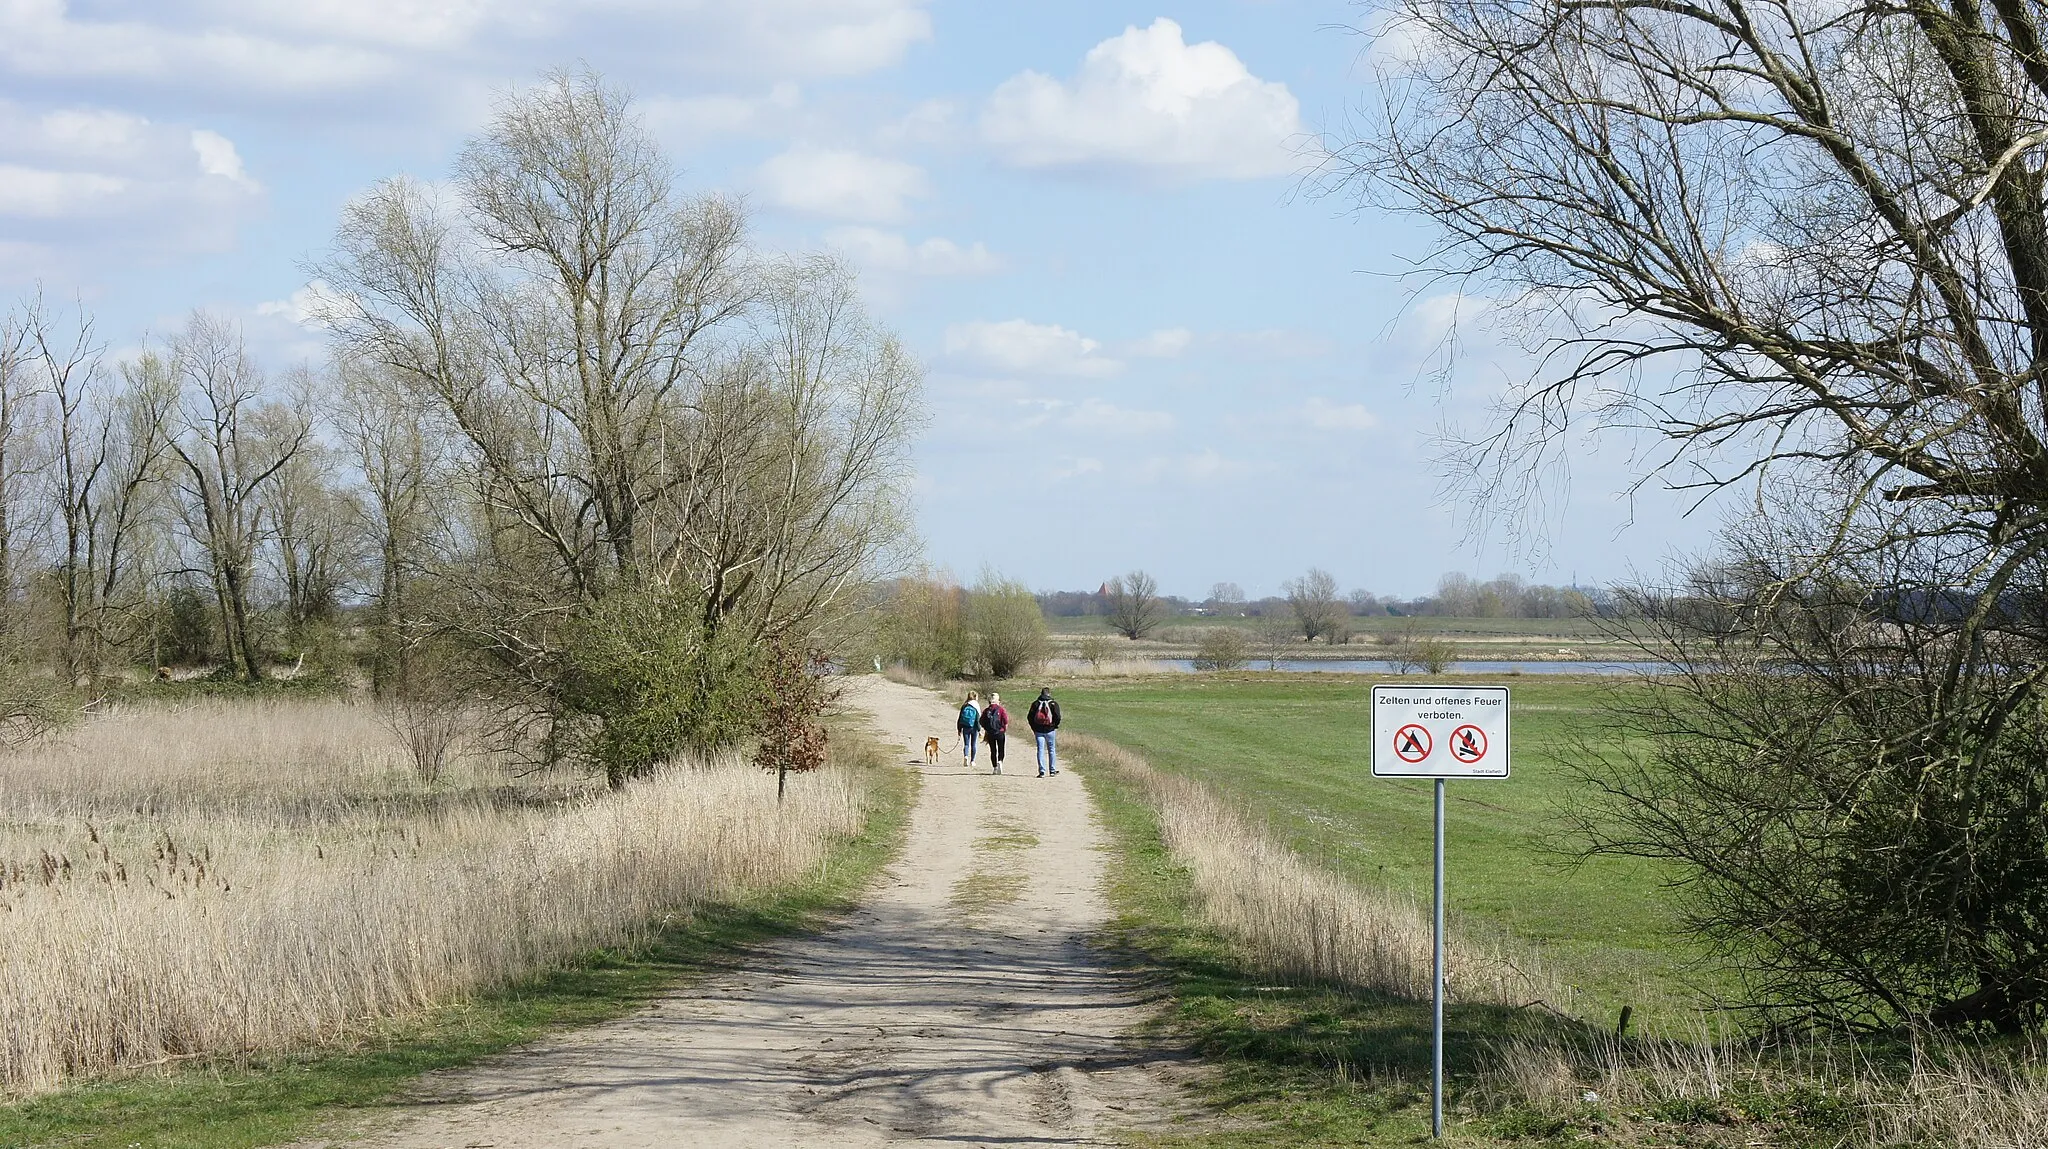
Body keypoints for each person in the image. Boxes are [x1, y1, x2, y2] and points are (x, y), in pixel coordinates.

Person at [1027, 686, 1062, 776]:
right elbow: (1057, 716)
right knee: (1051, 749)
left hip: (1038, 730)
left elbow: (1029, 717)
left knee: (1040, 750)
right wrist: (1054, 725)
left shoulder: (1035, 704)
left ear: (1041, 693)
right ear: (1049, 693)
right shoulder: (1053, 704)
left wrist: (1034, 728)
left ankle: (1042, 771)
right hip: (1050, 730)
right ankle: (1052, 770)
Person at [979, 691, 1009, 775]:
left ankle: (995, 767)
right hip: (1000, 732)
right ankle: (1000, 761)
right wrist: (1003, 729)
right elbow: (1005, 721)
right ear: (998, 700)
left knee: (993, 750)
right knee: (1001, 749)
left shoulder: (986, 710)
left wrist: (987, 729)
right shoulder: (1001, 710)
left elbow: (981, 721)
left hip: (990, 733)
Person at [957, 691, 981, 767]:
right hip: (973, 727)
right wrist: (979, 729)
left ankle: (966, 756)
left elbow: (960, 718)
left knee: (966, 744)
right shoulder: (976, 705)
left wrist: (959, 729)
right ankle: (972, 761)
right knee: (973, 744)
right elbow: (977, 719)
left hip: (965, 727)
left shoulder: (964, 705)